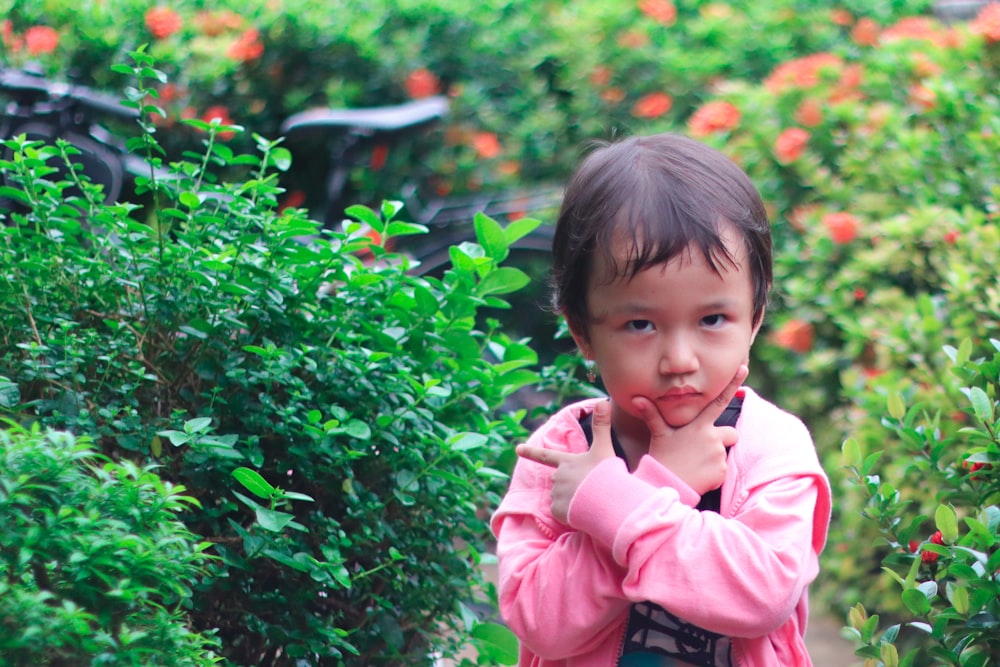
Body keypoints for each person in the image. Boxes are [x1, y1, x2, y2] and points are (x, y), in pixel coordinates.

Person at [490, 133, 832, 667]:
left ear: (755, 315)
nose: (679, 359)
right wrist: (653, 487)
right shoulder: (561, 451)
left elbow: (762, 597)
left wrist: (623, 507)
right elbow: (539, 624)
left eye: (712, 319)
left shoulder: (771, 446)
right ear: (583, 331)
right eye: (641, 323)